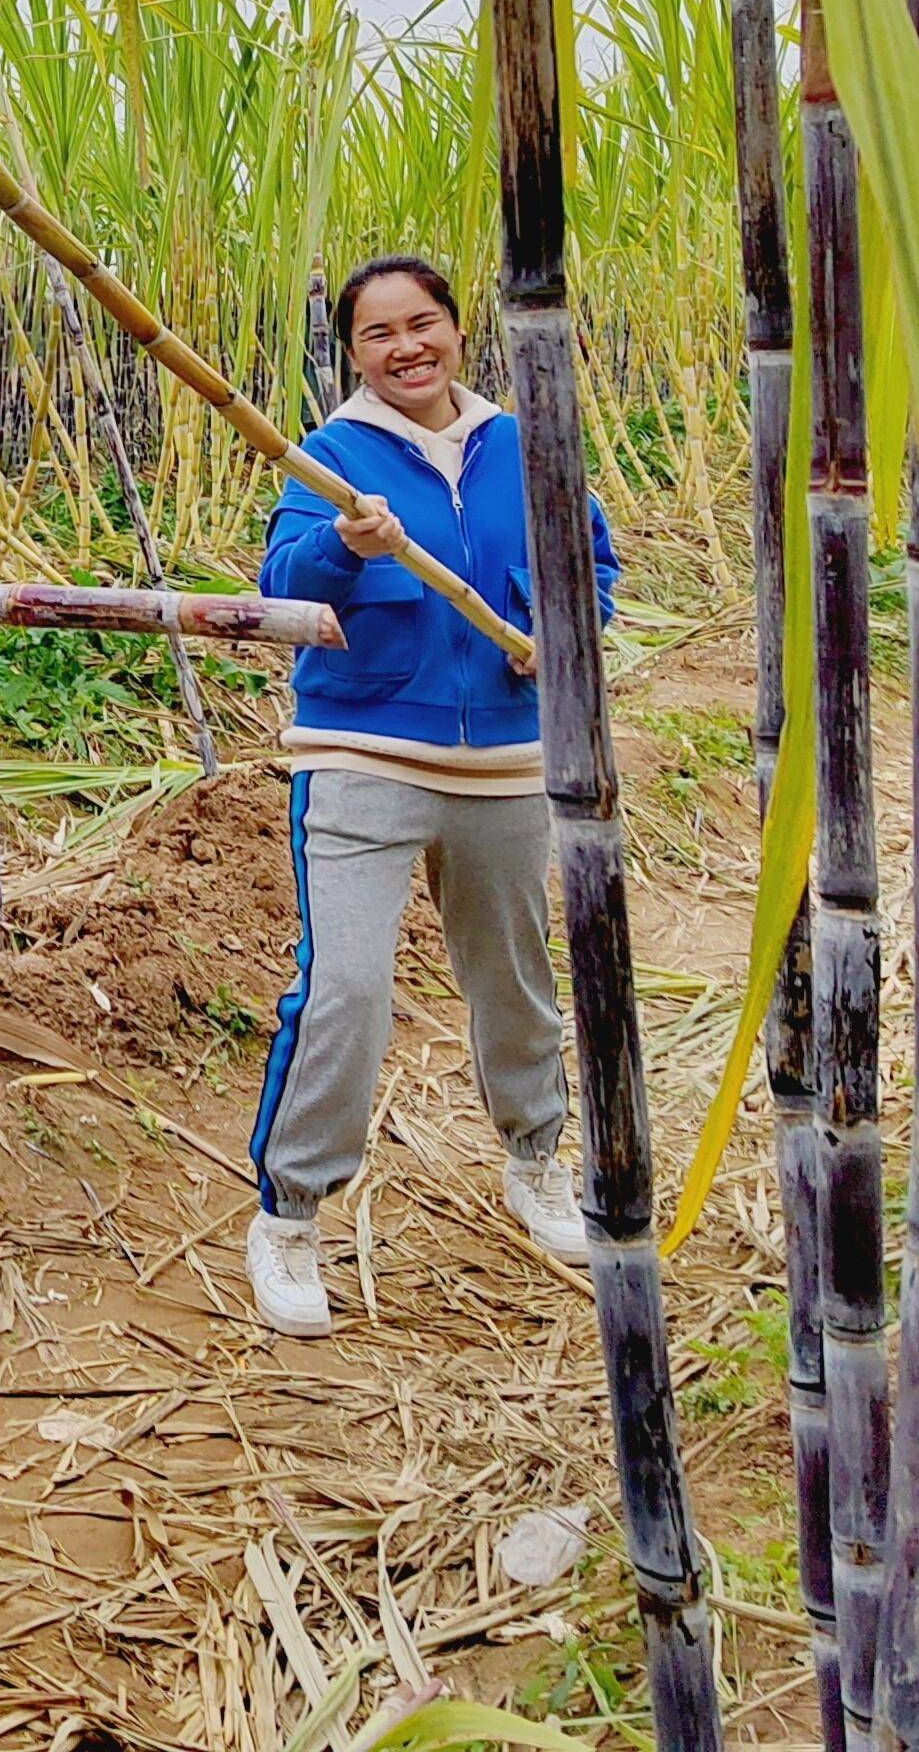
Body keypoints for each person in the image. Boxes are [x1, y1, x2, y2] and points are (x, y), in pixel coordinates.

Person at [242, 252, 612, 1339]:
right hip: (360, 750)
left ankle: (536, 1161)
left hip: (504, 760)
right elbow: (283, 586)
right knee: (346, 989)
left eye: (422, 325)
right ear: (351, 353)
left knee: (515, 979)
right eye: (378, 334)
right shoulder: (330, 456)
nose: (405, 348)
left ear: (457, 330)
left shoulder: (527, 441)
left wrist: (561, 634)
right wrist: (343, 548)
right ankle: (290, 1215)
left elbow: (590, 563)